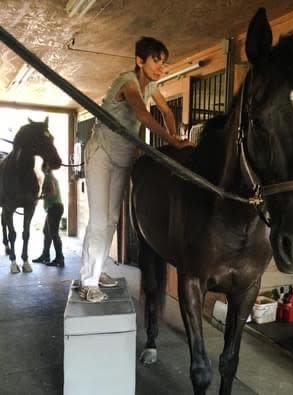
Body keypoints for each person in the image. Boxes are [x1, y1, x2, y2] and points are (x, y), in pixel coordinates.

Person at [79, 36, 191, 303]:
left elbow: (166, 111)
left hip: (123, 155)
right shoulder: (127, 81)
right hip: (101, 152)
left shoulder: (151, 86)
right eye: (156, 60)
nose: (161, 67)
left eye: (164, 62)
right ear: (140, 61)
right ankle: (88, 281)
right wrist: (168, 137)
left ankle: (101, 266)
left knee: (112, 218)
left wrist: (174, 138)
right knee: (98, 219)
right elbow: (141, 113)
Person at [32, 163, 64, 267]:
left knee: (54, 233)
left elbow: (52, 192)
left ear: (46, 168)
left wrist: (39, 197)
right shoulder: (50, 177)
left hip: (54, 208)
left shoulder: (49, 178)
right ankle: (45, 255)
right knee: (46, 231)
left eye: (43, 168)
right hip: (53, 208)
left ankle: (60, 258)